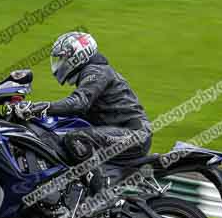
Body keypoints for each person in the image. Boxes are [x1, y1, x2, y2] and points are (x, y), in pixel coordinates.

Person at [13, 31, 153, 178]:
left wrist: (42, 108)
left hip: (134, 134)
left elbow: (78, 103)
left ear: (78, 55)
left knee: (77, 138)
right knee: (62, 132)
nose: (60, 63)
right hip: (121, 131)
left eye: (63, 58)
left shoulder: (96, 72)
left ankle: (100, 189)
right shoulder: (90, 72)